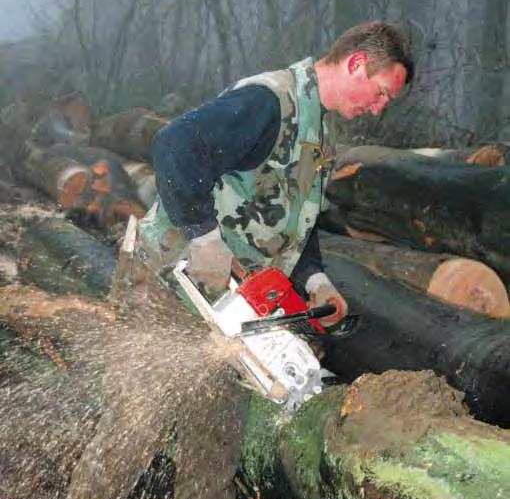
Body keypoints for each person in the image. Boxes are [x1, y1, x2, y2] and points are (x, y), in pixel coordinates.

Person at [140, 21, 414, 325]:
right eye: (381, 93)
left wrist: (315, 280)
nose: (377, 108)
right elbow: (174, 143)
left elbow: (295, 219)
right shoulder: (268, 101)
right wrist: (203, 236)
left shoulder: (318, 134)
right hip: (167, 283)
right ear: (356, 63)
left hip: (222, 303)